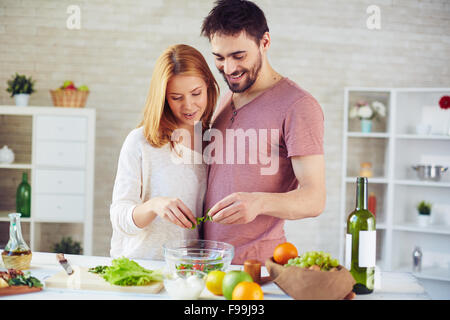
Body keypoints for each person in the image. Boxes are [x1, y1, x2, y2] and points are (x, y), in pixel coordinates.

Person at [200, 0, 326, 264]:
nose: (230, 69)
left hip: (257, 266)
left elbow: (315, 198)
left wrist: (258, 202)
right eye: (219, 58)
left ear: (265, 42)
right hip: (212, 262)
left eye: (239, 56)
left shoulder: (298, 106)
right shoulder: (225, 99)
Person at [109, 44, 220, 260]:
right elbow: (119, 217)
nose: (189, 106)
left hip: (189, 271)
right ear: (163, 98)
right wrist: (154, 206)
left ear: (208, 86)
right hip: (143, 268)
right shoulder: (141, 142)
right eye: (176, 97)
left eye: (196, 93)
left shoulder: (214, 140)